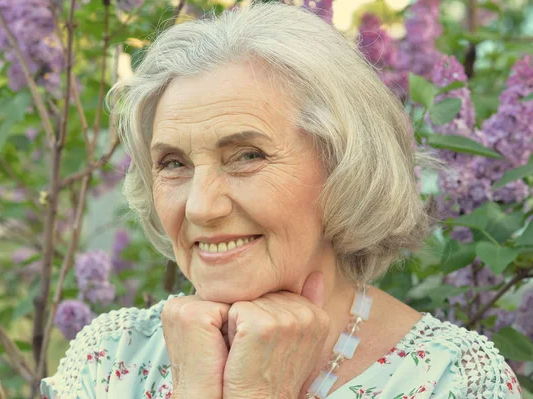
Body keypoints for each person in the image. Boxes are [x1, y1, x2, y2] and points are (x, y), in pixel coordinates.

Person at [40, 2, 523, 398]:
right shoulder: (114, 357)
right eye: (173, 163)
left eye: (246, 155)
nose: (200, 208)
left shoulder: (453, 382)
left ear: (343, 166)